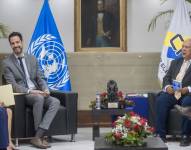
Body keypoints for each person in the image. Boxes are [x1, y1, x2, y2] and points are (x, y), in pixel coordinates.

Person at [2, 32, 60, 149]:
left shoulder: (32, 59)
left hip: (38, 91)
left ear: (22, 42)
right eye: (12, 43)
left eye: (17, 42)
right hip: (24, 94)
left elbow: (40, 77)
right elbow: (12, 85)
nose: (15, 45)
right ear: (10, 45)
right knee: (38, 98)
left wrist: (45, 88)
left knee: (55, 102)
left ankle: (37, 136)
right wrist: (31, 91)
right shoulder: (7, 63)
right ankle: (38, 138)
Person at [155, 39, 191, 146]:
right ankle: (160, 135)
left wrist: (188, 89)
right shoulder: (175, 62)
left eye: (187, 47)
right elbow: (167, 78)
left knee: (187, 103)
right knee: (161, 100)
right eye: (183, 46)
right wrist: (167, 87)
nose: (183, 49)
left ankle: (185, 135)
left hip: (187, 94)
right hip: (174, 93)